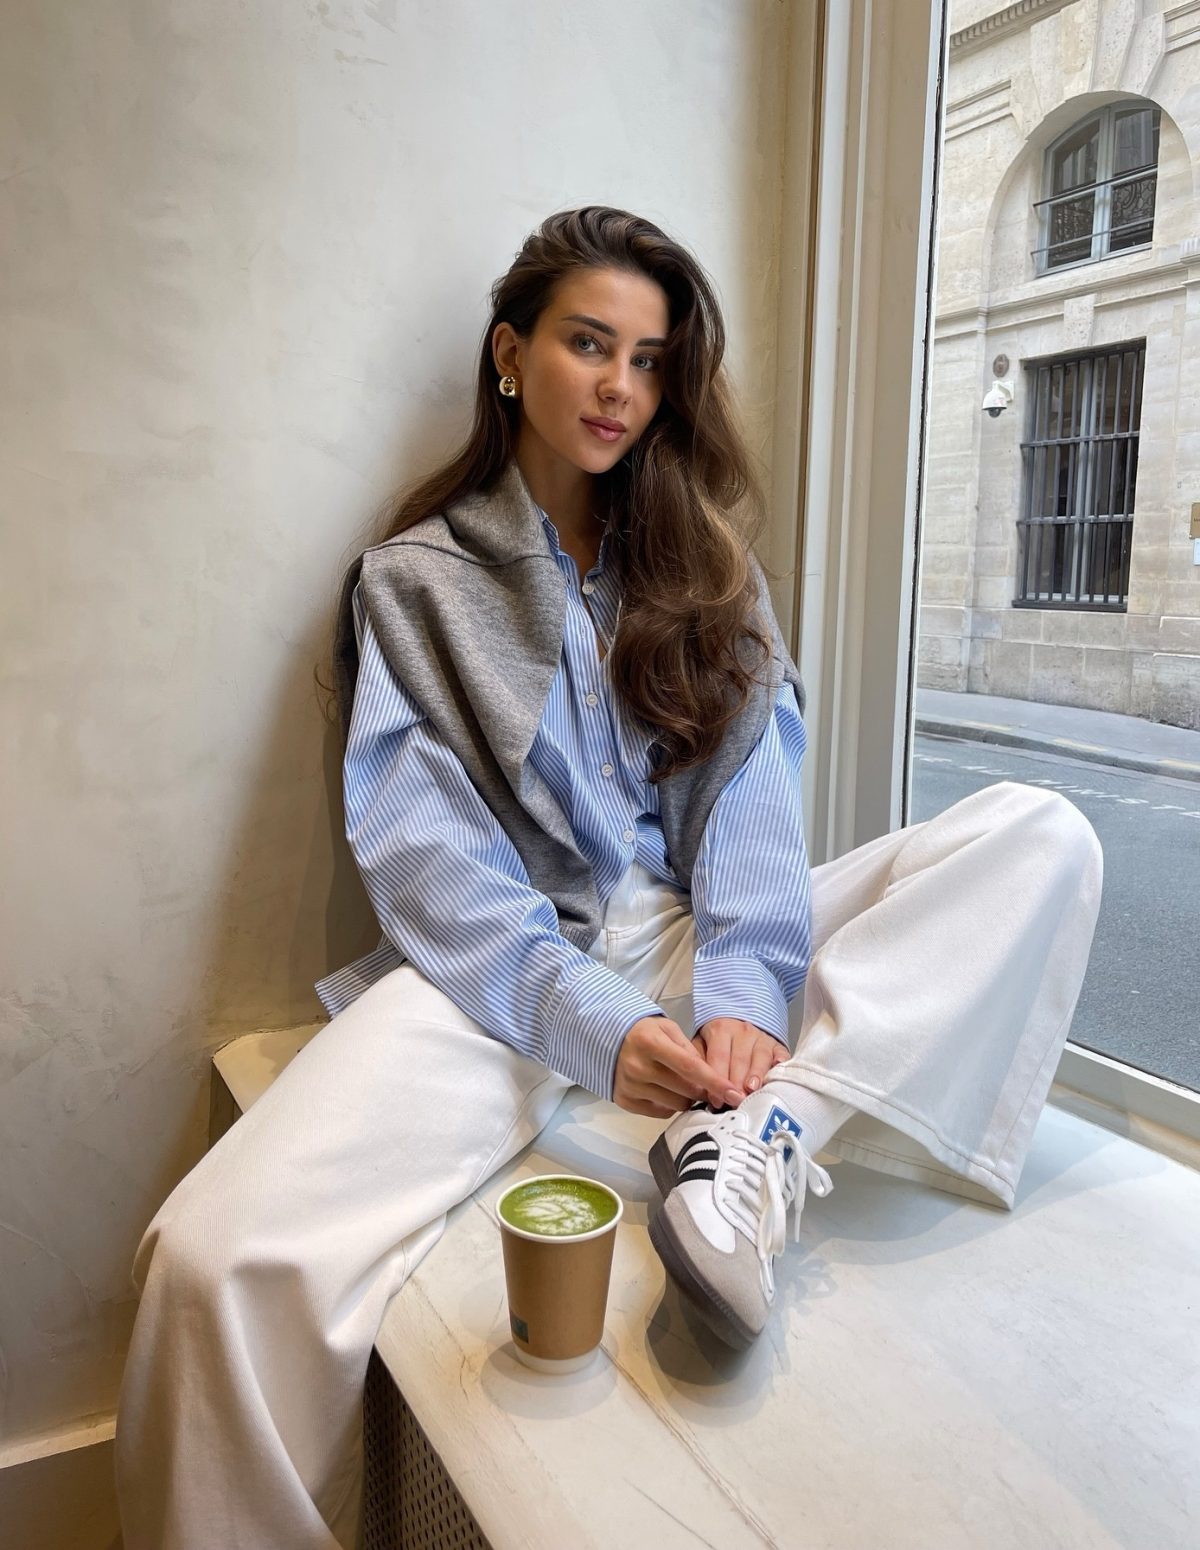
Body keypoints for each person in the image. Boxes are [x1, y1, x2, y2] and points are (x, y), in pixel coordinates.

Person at [114, 205, 1104, 1550]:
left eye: (648, 360)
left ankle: (756, 1136)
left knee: (1041, 834)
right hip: (501, 976)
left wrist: (749, 986)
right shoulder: (413, 583)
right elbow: (425, 853)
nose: (622, 388)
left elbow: (751, 791)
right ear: (512, 356)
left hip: (693, 934)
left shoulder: (708, 570)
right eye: (592, 345)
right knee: (206, 1260)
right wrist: (590, 1018)